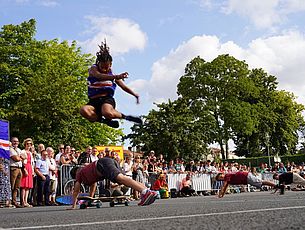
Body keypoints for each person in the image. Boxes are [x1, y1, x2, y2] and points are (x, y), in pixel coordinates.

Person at [79, 40, 143, 128]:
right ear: (98, 63)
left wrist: (135, 95)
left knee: (107, 113)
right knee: (83, 110)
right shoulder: (93, 69)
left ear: (111, 64)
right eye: (102, 67)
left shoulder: (112, 75)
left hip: (107, 99)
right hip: (94, 101)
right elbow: (99, 76)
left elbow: (123, 86)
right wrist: (117, 76)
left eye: (107, 67)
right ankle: (104, 121)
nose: (105, 69)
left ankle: (126, 117)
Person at [68, 157, 157, 209]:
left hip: (102, 165)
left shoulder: (79, 174)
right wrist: (90, 199)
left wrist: (73, 206)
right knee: (124, 180)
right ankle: (147, 191)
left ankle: (146, 192)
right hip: (107, 162)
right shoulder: (86, 173)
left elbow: (76, 191)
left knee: (121, 178)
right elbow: (93, 184)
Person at [9, 137, 24, 208]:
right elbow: (16, 159)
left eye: (17, 141)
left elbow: (25, 157)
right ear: (11, 142)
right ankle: (9, 201)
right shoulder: (10, 149)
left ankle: (14, 201)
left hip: (19, 168)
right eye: (14, 141)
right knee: (12, 185)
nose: (16, 143)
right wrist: (20, 157)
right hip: (13, 168)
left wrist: (20, 157)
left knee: (17, 186)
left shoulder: (19, 150)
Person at [20, 138, 34, 207]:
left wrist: (32, 171)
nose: (29, 145)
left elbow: (32, 163)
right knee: (24, 186)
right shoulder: (22, 152)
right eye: (27, 144)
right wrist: (24, 169)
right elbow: (22, 162)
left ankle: (26, 201)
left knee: (28, 186)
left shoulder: (30, 153)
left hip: (30, 168)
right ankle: (23, 201)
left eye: (30, 144)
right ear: (25, 144)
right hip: (25, 167)